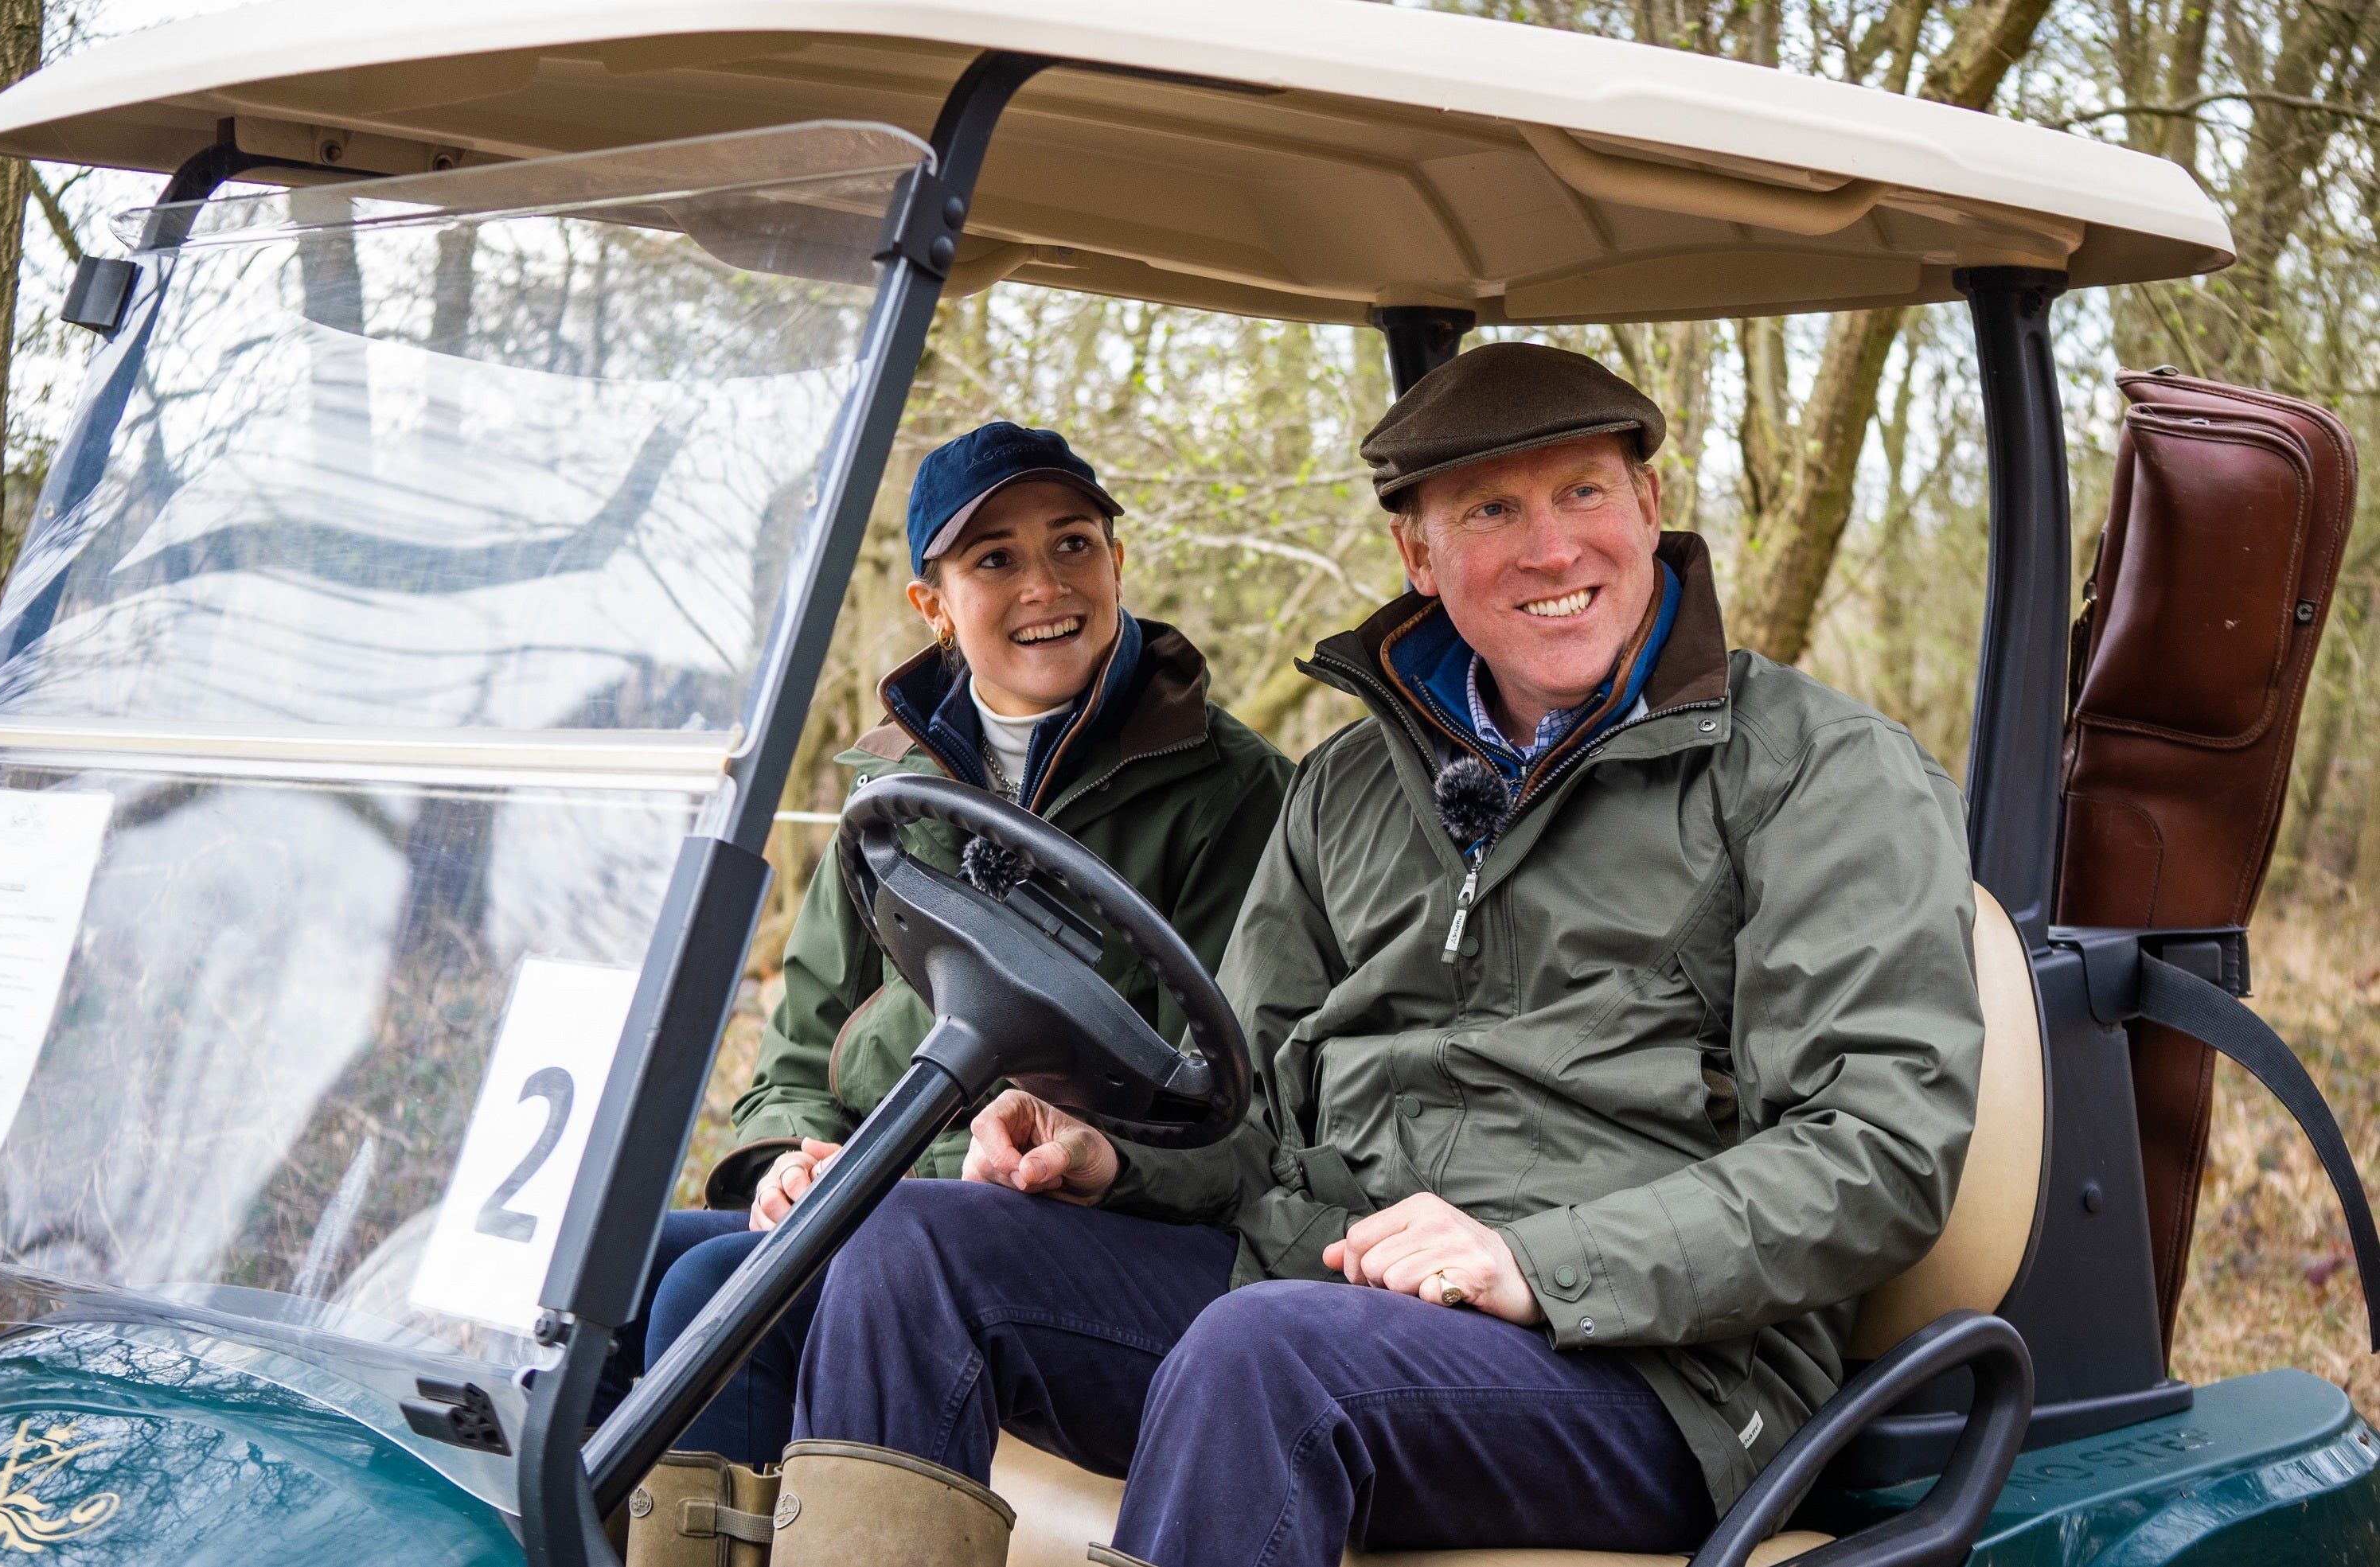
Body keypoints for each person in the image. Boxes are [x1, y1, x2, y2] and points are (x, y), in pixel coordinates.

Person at [773, 343, 1986, 1567]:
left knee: (1268, 1353)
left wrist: (1533, 1259)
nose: (1553, 548)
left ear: (1649, 505)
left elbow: (1875, 1152)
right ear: (1420, 553)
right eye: (1492, 510)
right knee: (906, 1245)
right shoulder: (1352, 785)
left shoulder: (1815, 774)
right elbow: (1243, 1100)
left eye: (1584, 493)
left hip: (1656, 1368)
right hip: (1333, 1287)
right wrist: (1114, 1154)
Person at [596, 421, 1294, 1463]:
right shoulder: (888, 787)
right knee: (620, 1267)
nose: (1045, 585)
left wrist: (928, 1166)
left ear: (1117, 559)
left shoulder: (1230, 789)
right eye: (995, 558)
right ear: (932, 602)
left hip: (1090, 1216)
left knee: (715, 1289)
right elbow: (801, 1052)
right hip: (877, 1189)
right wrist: (788, 1157)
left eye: (1072, 544)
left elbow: (1220, 1095)